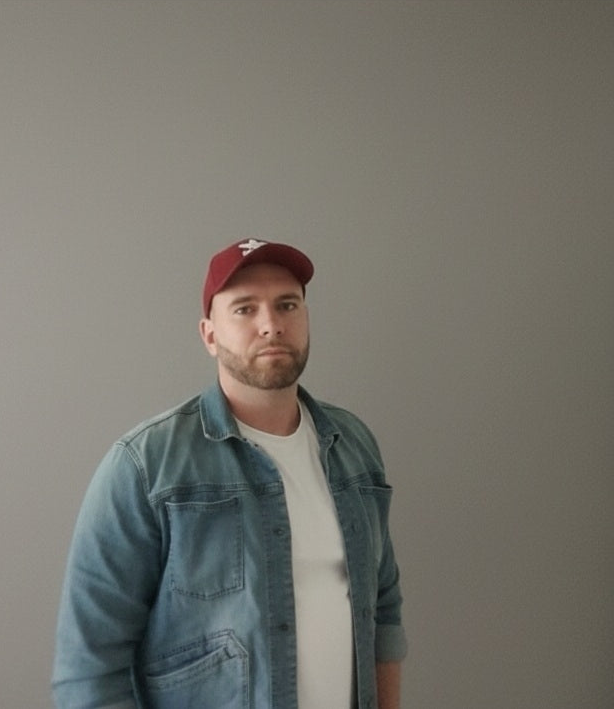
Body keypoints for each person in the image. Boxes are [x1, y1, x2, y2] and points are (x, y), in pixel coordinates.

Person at [52, 238, 407, 709]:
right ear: (209, 335)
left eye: (287, 305)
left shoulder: (353, 446)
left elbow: (383, 608)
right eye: (245, 309)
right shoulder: (147, 465)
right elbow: (88, 667)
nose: (271, 324)